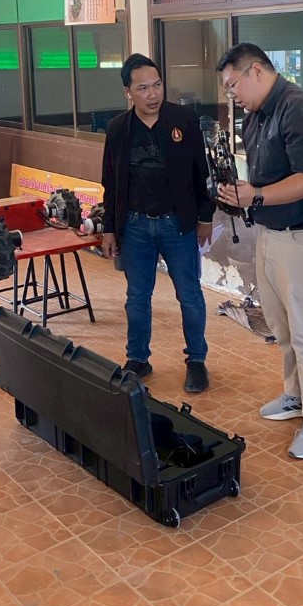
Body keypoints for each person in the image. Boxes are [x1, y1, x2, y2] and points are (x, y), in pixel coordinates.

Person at [216, 43, 303, 460]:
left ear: (256, 71)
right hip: (273, 231)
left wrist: (255, 195)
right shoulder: (258, 114)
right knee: (282, 324)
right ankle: (297, 395)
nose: (231, 94)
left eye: (233, 85)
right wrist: (242, 193)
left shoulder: (300, 109)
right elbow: (265, 177)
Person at [100, 53, 214, 393]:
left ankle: (196, 360)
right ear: (128, 92)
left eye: (158, 85)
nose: (153, 95)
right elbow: (110, 183)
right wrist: (109, 228)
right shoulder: (118, 129)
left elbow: (202, 172)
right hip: (135, 226)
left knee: (189, 294)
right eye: (143, 88)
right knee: (137, 297)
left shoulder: (184, 119)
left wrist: (205, 217)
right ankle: (138, 358)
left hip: (177, 224)